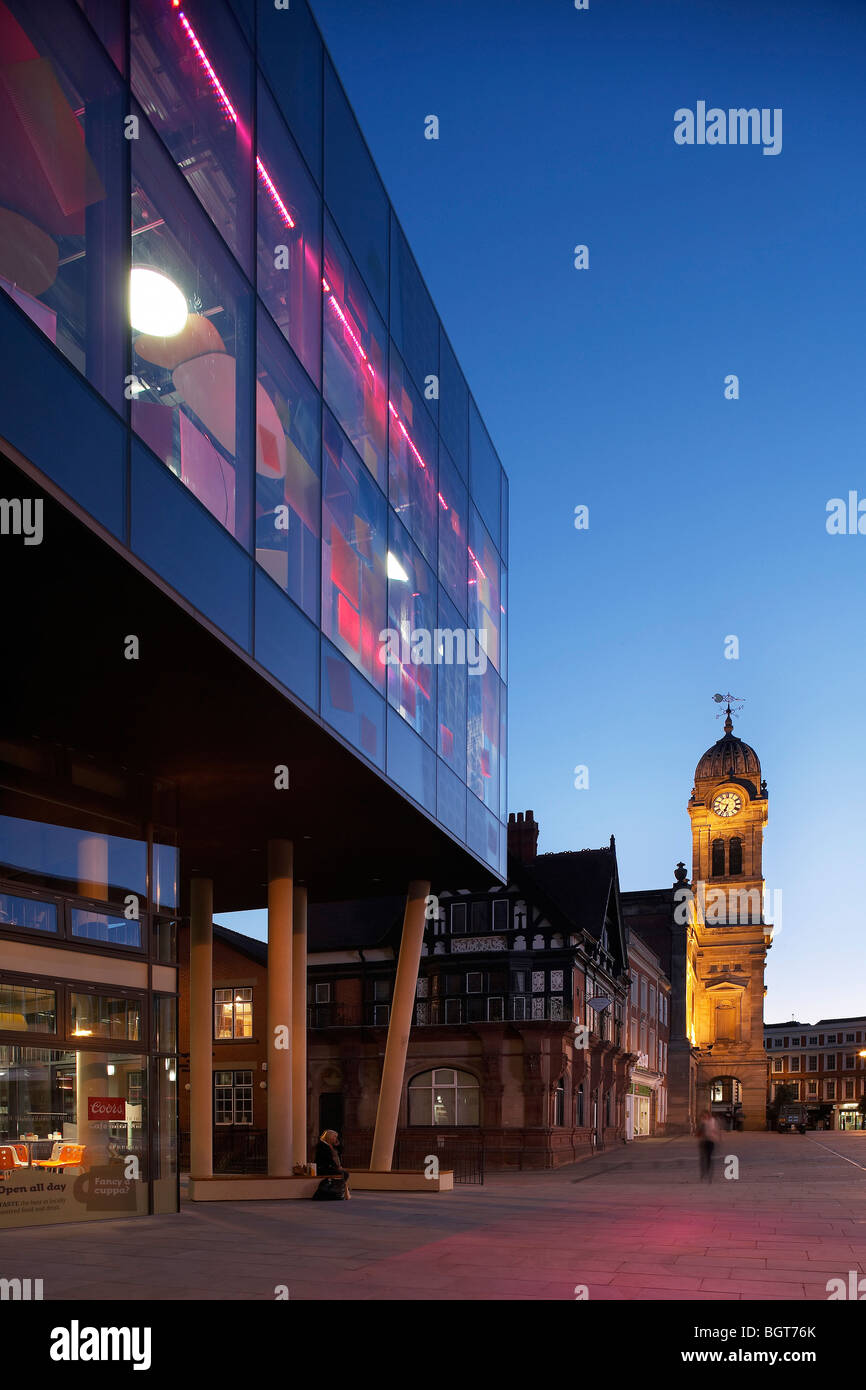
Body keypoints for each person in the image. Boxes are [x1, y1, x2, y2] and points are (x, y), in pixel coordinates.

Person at [314, 1129, 351, 1200]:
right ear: (329, 1137)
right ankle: (338, 1189)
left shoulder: (331, 1146)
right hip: (323, 1168)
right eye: (334, 1137)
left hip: (330, 1167)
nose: (336, 1139)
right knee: (343, 1173)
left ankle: (339, 1189)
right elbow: (328, 1159)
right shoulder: (322, 1145)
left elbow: (340, 1151)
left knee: (344, 1173)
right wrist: (337, 1167)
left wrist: (338, 1145)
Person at [697, 1110, 720, 1181]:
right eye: (703, 1115)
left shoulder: (712, 1121)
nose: (704, 1117)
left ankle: (708, 1172)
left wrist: (717, 1137)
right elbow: (698, 1132)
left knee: (708, 1157)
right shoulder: (703, 1122)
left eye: (705, 1115)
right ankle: (703, 1172)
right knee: (703, 1158)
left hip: (710, 1141)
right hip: (703, 1142)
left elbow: (716, 1130)